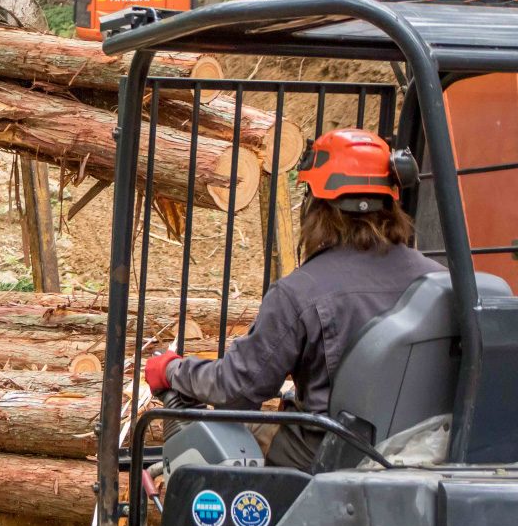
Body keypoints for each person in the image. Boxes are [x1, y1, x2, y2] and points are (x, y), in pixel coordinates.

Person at [143, 128, 443, 471]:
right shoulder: (441, 281)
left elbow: (237, 388)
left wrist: (172, 369)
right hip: (425, 451)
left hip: (332, 457)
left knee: (226, 436)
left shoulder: (301, 293)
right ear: (392, 201)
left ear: (318, 206)